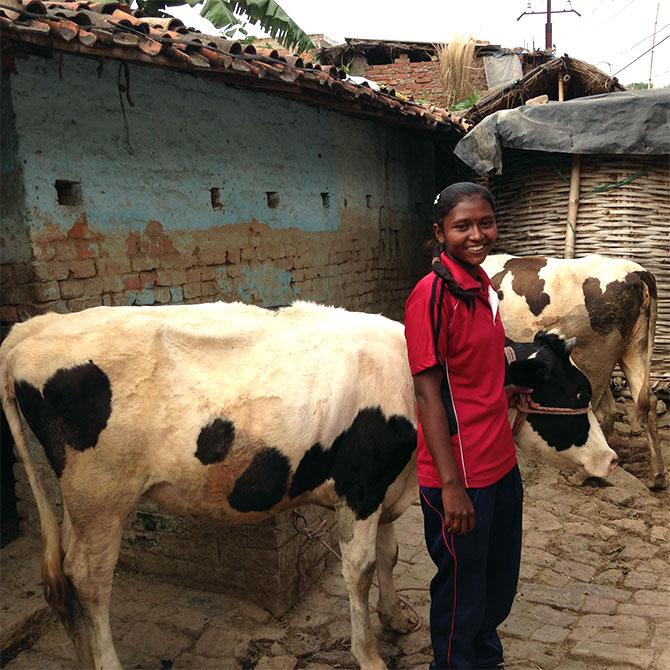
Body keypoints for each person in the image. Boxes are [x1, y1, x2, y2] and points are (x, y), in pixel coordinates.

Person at [403, 182, 524, 670]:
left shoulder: (483, 287)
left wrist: (502, 392)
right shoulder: (432, 295)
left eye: (485, 223)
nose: (477, 235)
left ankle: (485, 658)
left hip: (499, 462)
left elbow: (471, 373)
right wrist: (451, 488)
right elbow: (428, 393)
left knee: (497, 580)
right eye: (462, 226)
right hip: (460, 474)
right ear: (440, 233)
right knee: (461, 589)